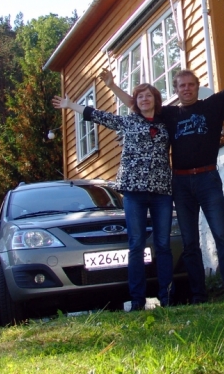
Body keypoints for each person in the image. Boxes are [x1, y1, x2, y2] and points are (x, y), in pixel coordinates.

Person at [104, 36, 224, 303]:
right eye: (181, 86)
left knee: (223, 238)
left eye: (190, 85)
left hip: (208, 180)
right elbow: (137, 103)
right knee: (189, 244)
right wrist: (112, 86)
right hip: (181, 184)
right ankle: (199, 296)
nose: (186, 89)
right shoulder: (170, 114)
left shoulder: (213, 106)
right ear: (175, 90)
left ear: (197, 87)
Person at [51, 79, 174, 310]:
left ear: (156, 100)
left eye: (148, 96)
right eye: (140, 97)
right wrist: (71, 105)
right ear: (135, 102)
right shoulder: (127, 122)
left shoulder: (166, 123)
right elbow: (98, 115)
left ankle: (167, 297)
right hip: (134, 192)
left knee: (163, 244)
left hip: (161, 192)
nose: (144, 99)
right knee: (136, 244)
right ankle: (138, 300)